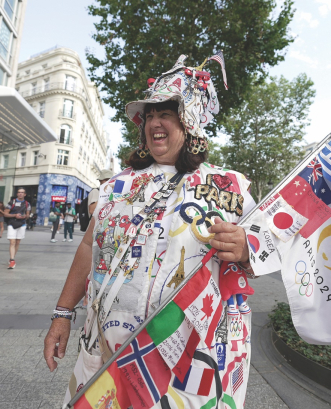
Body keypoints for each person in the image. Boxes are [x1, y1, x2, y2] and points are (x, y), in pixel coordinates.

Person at [44, 55, 271, 408]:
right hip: (109, 354)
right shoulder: (116, 186)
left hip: (191, 362)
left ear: (189, 123)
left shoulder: (230, 186)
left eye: (164, 113)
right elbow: (89, 246)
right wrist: (62, 314)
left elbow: (267, 249)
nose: (154, 122)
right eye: (149, 116)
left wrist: (245, 247)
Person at [3, 187, 31, 269]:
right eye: (19, 192)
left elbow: (28, 215)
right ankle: (12, 260)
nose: (20, 193)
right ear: (17, 194)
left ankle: (12, 258)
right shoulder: (12, 202)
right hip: (12, 223)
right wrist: (14, 215)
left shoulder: (27, 204)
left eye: (22, 192)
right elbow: (5, 214)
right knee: (12, 242)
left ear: (25, 194)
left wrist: (25, 216)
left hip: (21, 224)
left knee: (17, 242)